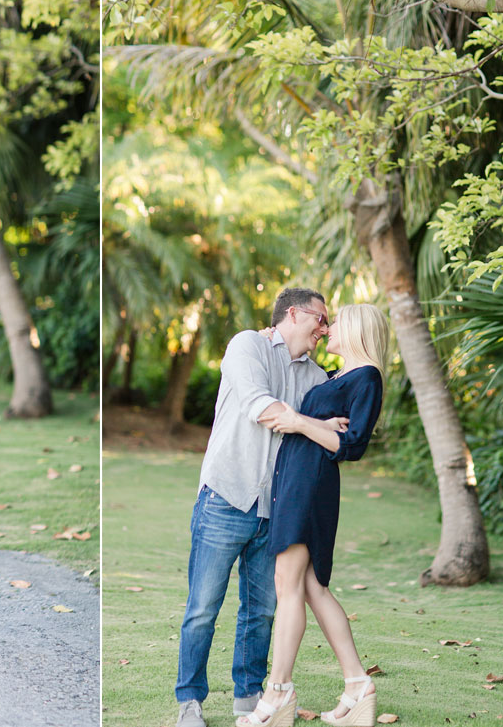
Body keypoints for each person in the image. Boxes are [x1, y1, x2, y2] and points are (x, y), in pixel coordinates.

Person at [175, 288, 340, 727]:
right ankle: (190, 702)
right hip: (226, 498)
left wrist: (322, 425)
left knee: (262, 610)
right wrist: (310, 424)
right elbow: (259, 407)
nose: (324, 330)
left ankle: (249, 697)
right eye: (320, 320)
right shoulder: (247, 345)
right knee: (202, 608)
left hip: (278, 511)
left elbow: (339, 435)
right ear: (293, 313)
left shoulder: (319, 378)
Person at [237, 303, 389, 727]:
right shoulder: (334, 377)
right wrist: (307, 420)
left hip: (311, 485)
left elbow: (353, 444)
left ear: (357, 329)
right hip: (295, 481)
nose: (328, 328)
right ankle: (357, 683)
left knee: (289, 582)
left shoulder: (367, 377)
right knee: (309, 587)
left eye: (335, 321)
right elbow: (315, 424)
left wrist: (300, 423)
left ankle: (278, 692)